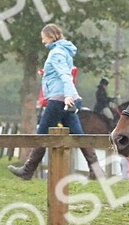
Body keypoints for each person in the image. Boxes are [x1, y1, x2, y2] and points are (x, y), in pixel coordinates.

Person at [8, 24, 104, 180]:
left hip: (59, 100)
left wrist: (67, 96)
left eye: (43, 37)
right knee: (78, 134)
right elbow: (62, 74)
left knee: (42, 134)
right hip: (66, 99)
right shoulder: (65, 51)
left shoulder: (56, 52)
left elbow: (65, 75)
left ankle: (27, 170)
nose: (42, 40)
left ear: (51, 36)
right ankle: (96, 170)